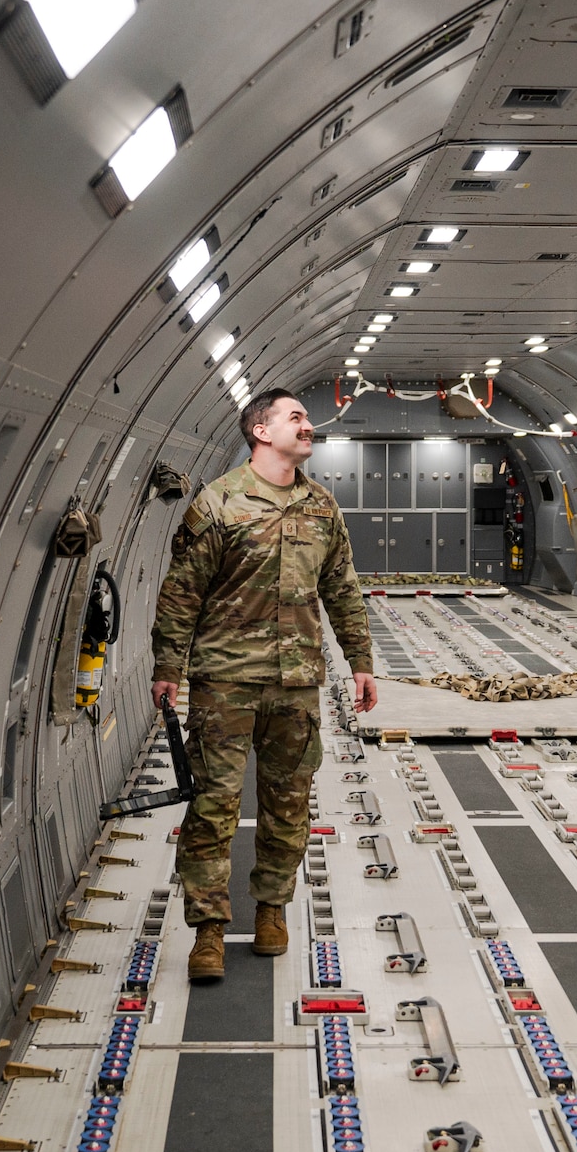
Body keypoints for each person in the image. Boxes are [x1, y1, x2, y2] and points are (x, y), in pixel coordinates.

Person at [151, 388, 378, 982]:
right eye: (296, 417)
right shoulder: (219, 503)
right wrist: (167, 668)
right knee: (213, 807)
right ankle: (208, 930)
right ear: (261, 430)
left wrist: (361, 660)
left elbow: (342, 588)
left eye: (305, 418)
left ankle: (272, 909)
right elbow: (182, 593)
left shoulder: (322, 507)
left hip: (296, 683)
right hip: (224, 682)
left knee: (288, 803)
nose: (308, 426)